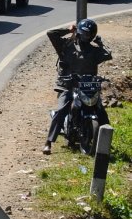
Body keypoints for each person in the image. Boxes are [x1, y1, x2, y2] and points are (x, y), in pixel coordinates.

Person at [43, 19, 111, 154]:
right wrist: (68, 30)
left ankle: (106, 143)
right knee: (61, 109)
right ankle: (49, 142)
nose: (87, 36)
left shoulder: (93, 50)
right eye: (85, 33)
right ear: (79, 32)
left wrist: (100, 44)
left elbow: (108, 55)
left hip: (87, 87)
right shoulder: (66, 45)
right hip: (67, 85)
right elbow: (51, 33)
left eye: (90, 34)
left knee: (101, 112)